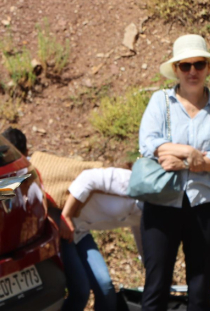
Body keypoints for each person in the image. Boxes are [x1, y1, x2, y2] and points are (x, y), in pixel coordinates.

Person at [139, 34, 210, 311]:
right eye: (185, 65)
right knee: (156, 287)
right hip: (161, 204)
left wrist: (181, 157)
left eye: (199, 64)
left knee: (202, 289)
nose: (192, 71)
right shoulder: (161, 101)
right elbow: (149, 145)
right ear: (176, 69)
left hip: (204, 206)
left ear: (207, 67)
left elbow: (165, 152)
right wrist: (194, 155)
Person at [59, 167, 141, 311]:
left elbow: (145, 246)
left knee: (105, 288)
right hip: (60, 224)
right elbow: (88, 177)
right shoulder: (133, 182)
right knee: (80, 292)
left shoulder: (150, 215)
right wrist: (66, 216)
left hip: (81, 232)